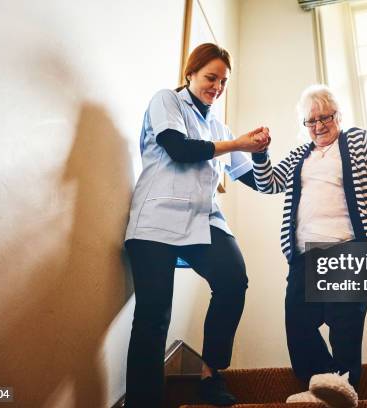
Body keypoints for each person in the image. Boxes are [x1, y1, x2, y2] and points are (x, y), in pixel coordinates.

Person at [251, 84, 367, 405]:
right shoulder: (300, 155)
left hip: (349, 247)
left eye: (324, 117)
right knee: (298, 321)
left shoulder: (356, 139)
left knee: (344, 323)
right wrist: (260, 153)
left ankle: (343, 384)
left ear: (337, 115)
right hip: (305, 253)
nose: (318, 126)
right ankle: (323, 384)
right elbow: (268, 183)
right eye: (310, 121)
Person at [124, 43, 270, 408]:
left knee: (233, 279)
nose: (217, 86)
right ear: (190, 73)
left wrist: (261, 150)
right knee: (153, 316)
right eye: (210, 77)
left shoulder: (219, 125)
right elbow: (178, 147)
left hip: (205, 219)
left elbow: (253, 178)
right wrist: (236, 143)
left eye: (223, 81)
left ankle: (210, 377)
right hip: (156, 221)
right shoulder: (167, 101)